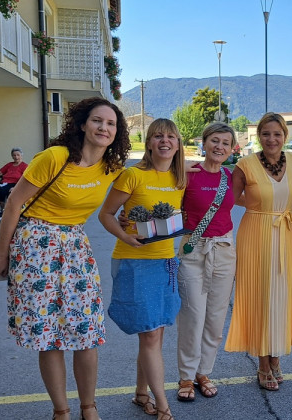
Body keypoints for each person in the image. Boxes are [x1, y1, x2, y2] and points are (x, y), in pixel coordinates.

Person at [0, 97, 130, 420]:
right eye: (97, 121)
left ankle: (88, 407)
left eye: (111, 123)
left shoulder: (112, 167)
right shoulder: (55, 157)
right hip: (35, 244)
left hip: (76, 246)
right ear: (81, 124)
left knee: (86, 332)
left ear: (117, 132)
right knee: (48, 336)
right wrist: (1, 254)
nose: (104, 127)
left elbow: (148, 174)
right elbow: (13, 204)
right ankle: (61, 410)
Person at [98, 118, 186, 420]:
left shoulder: (179, 179)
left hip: (166, 262)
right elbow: (106, 214)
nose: (165, 141)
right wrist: (125, 234)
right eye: (158, 136)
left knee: (155, 336)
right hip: (135, 262)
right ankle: (163, 405)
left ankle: (140, 393)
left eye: (171, 137)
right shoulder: (132, 175)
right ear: (148, 143)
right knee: (149, 335)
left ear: (178, 144)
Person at [224, 112, 292, 392]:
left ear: (285, 136)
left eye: (277, 134)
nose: (272, 139)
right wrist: (255, 204)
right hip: (256, 233)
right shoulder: (245, 164)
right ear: (259, 137)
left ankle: (276, 356)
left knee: (281, 296)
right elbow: (231, 198)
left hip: (286, 232)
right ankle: (262, 363)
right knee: (261, 296)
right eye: (266, 134)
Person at [175, 122, 236, 402]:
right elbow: (165, 201)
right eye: (214, 140)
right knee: (193, 316)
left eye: (225, 142)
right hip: (193, 249)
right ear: (204, 142)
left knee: (215, 318)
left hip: (223, 249)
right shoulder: (189, 173)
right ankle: (186, 375)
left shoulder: (232, 176)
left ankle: (204, 373)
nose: (219, 147)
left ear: (233, 148)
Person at [0, 147, 28, 213]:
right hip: (4, 182)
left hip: (14, 184)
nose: (16, 157)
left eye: (18, 155)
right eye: (14, 155)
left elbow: (25, 178)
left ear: (21, 156)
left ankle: (4, 210)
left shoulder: (24, 166)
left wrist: (16, 187)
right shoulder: (9, 164)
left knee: (2, 190)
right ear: (12, 156)